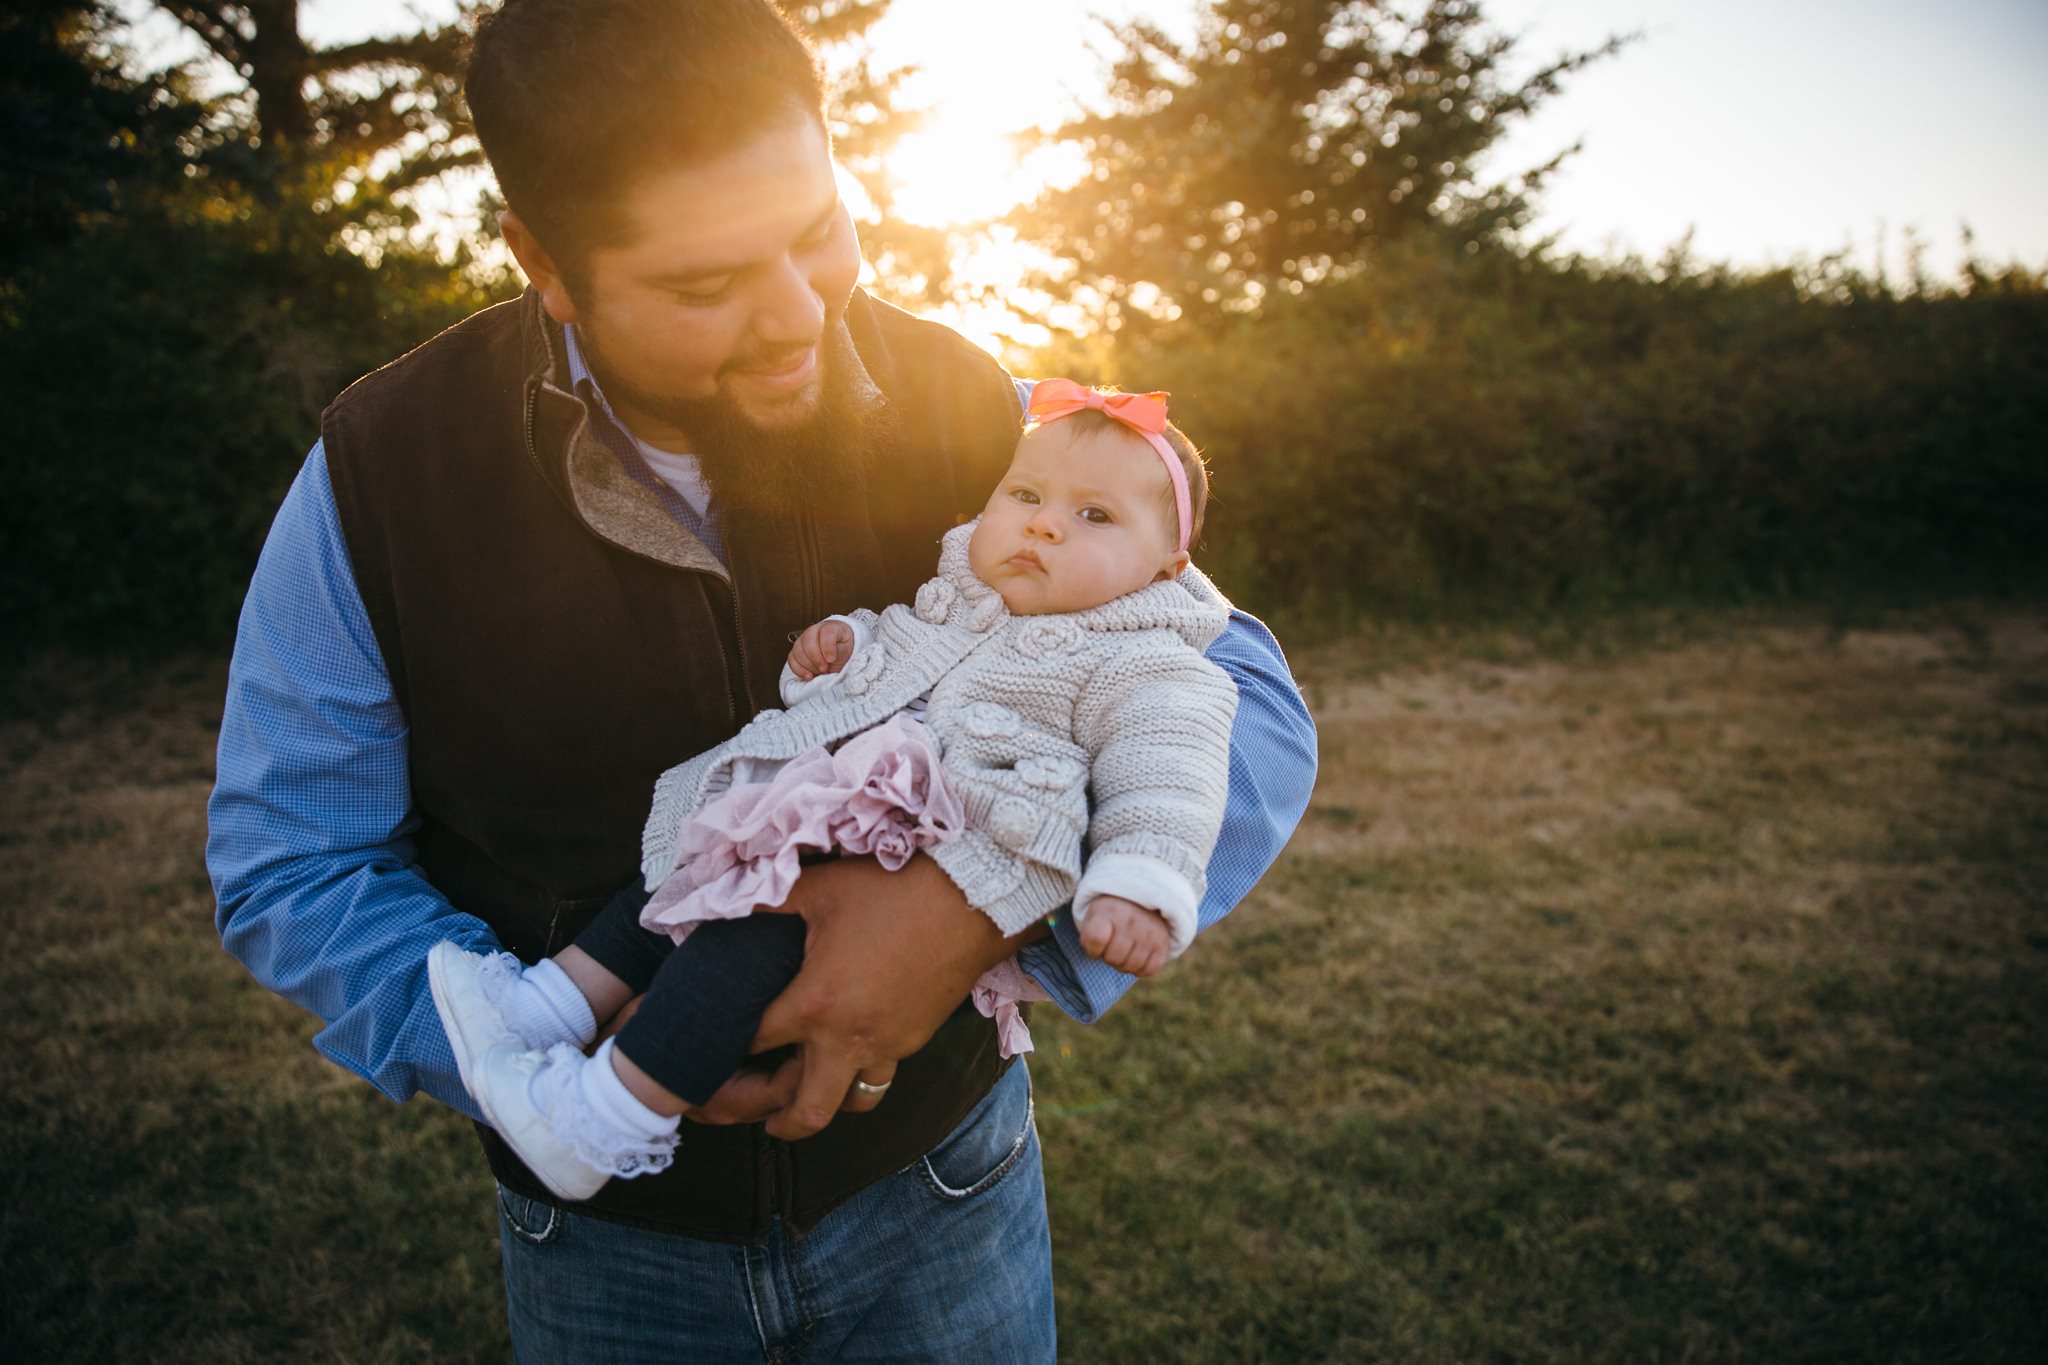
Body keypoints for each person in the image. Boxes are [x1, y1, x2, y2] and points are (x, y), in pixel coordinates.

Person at [204, 0, 1317, 1357]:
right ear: (544, 263)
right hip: (611, 1253)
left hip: (941, 1191)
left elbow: (1232, 686)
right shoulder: (384, 471)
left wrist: (971, 918)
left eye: (817, 233)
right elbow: (290, 864)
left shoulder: (971, 406)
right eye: (702, 285)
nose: (799, 319)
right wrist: (546, 1068)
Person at [431, 383, 1239, 1203]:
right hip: (825, 813)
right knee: (681, 859)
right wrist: (845, 648)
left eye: (1095, 516)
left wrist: (1141, 879)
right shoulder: (962, 598)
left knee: (746, 943)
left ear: (1167, 566)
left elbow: (1171, 770)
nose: (1044, 523)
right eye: (1025, 495)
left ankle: (603, 1117)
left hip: (938, 846)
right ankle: (547, 1006)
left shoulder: (1149, 665)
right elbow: (896, 655)